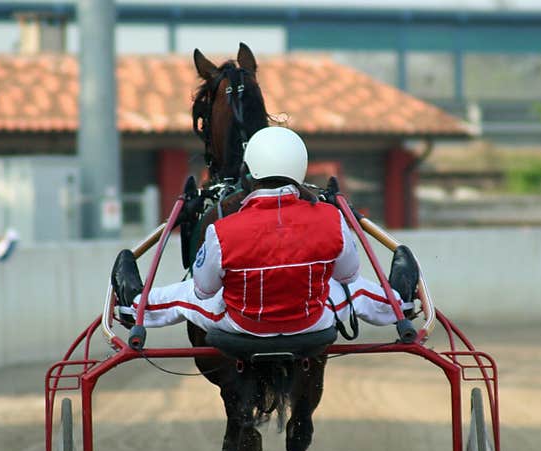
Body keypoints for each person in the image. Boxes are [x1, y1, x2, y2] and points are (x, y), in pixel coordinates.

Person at [110, 126, 419, 338]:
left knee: (184, 295)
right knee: (357, 291)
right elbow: (349, 276)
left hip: (243, 325)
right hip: (311, 322)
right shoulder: (331, 219)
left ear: (250, 169)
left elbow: (204, 290)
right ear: (300, 167)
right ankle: (397, 301)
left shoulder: (222, 231)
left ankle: (134, 306)